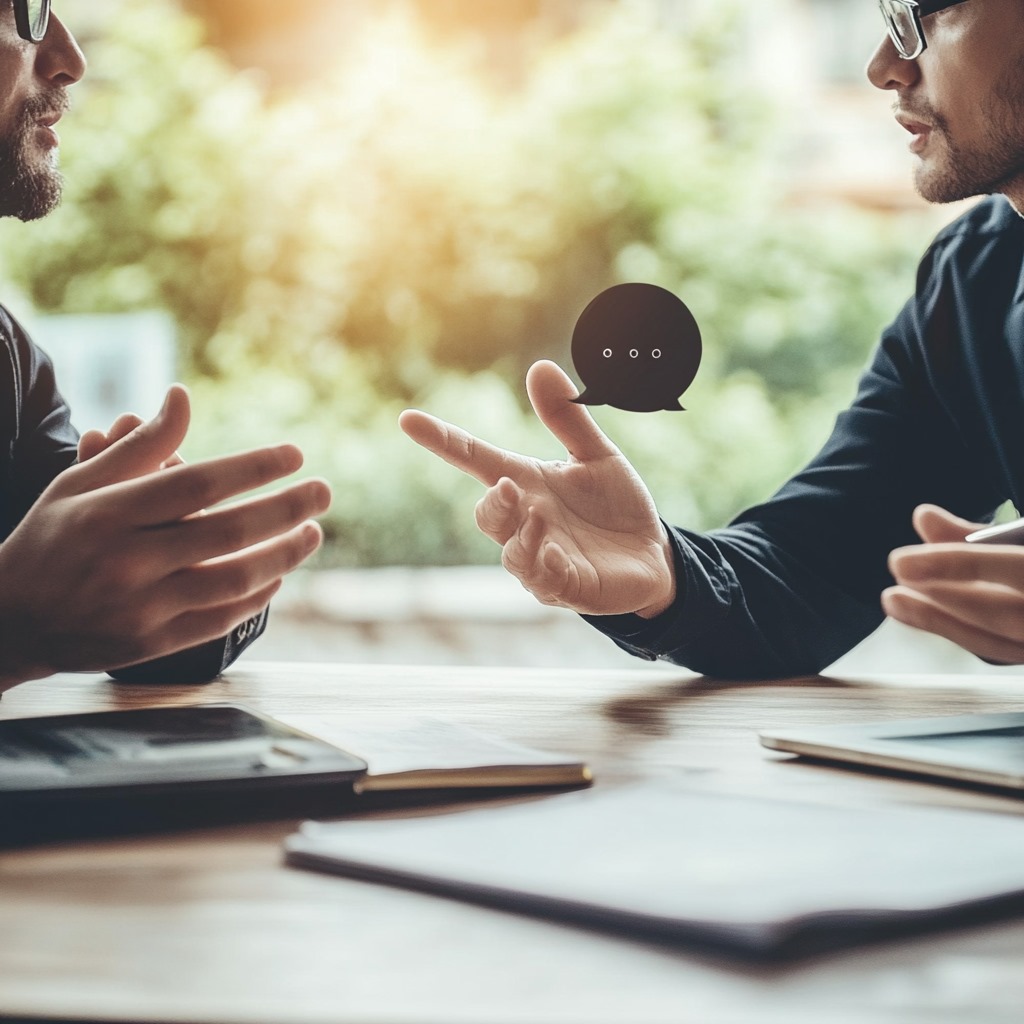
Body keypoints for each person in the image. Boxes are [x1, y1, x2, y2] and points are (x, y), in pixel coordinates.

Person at [400, 0, 1024, 678]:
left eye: (917, 14)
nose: (884, 67)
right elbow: (816, 569)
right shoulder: (976, 284)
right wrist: (666, 574)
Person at [0, 1, 331, 691]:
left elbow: (144, 636)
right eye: (22, 10)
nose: (69, 56)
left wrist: (170, 554)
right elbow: (30, 612)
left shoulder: (9, 360)